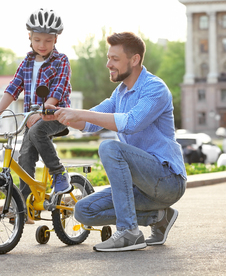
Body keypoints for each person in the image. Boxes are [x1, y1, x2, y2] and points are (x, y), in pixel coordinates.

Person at [42, 32, 187, 252]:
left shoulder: (155, 88)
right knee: (83, 211)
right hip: (141, 188)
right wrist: (64, 116)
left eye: (115, 59)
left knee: (109, 147)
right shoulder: (119, 94)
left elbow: (131, 122)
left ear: (135, 59)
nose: (108, 64)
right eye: (108, 58)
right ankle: (158, 216)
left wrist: (79, 113)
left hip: (167, 180)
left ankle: (129, 232)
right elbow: (90, 123)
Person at [0, 8, 72, 205]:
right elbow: (13, 87)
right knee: (24, 158)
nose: (42, 45)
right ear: (30, 37)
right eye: (38, 40)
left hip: (55, 116)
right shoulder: (27, 62)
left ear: (56, 40)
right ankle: (25, 206)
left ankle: (59, 174)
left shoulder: (61, 61)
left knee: (36, 132)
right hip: (31, 119)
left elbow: (58, 90)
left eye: (48, 41)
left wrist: (42, 112)